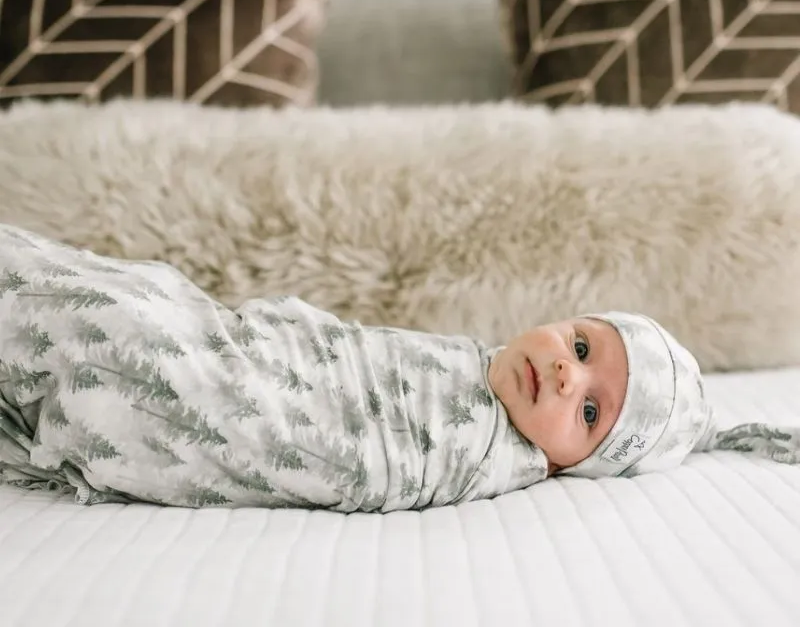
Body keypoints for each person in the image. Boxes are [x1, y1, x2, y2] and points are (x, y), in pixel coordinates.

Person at [0, 222, 796, 511]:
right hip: (233, 334)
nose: (565, 376)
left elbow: (329, 450)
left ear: (569, 467)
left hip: (219, 391)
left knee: (112, 330)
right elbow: (337, 354)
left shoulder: (476, 453)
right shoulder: (473, 362)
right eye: (583, 349)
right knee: (108, 283)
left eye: (589, 412)